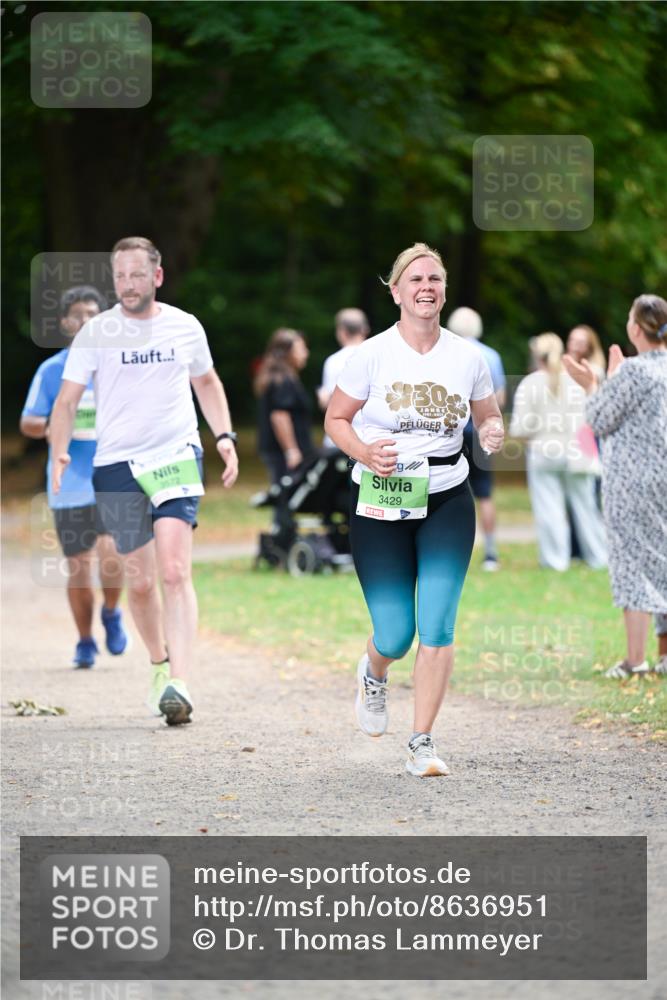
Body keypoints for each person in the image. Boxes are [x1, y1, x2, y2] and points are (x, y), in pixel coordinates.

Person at [325, 243, 504, 778]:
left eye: (435, 279)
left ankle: (421, 742)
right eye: (416, 279)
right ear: (397, 290)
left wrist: (492, 432)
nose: (427, 287)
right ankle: (375, 672)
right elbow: (336, 419)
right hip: (381, 500)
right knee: (397, 633)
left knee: (438, 625)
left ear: (444, 290)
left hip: (447, 496)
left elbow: (489, 417)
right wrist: (363, 451)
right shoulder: (371, 354)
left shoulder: (467, 356)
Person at [49, 237, 239, 725]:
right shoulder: (98, 332)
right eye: (120, 276)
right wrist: (59, 452)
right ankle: (158, 666)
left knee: (175, 571)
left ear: (157, 276)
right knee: (139, 582)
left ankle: (182, 680)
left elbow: (208, 383)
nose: (128, 284)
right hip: (116, 465)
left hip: (176, 455)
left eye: (137, 274)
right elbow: (67, 401)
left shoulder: (184, 326)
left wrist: (224, 435)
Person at [20, 285, 128, 669]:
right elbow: (29, 421)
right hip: (69, 482)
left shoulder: (117, 366)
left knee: (114, 558)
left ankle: (112, 613)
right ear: (65, 322)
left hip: (113, 474)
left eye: (92, 314)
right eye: (77, 315)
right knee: (80, 568)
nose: (84, 321)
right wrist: (56, 423)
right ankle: (84, 640)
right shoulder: (52, 370)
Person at [563, 294, 667, 677]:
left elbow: (600, 418)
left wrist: (592, 384)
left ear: (636, 328)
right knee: (662, 558)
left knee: (631, 562)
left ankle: (635, 659)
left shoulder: (635, 372)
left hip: (631, 482)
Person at [509, 333, 607, 572]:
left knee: (549, 508)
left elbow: (520, 427)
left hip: (544, 451)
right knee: (587, 507)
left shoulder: (530, 383)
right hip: (577, 451)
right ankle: (599, 557)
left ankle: (555, 560)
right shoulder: (576, 381)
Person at [446, 307, 506, 571]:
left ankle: (452, 550)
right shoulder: (491, 356)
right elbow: (499, 399)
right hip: (481, 431)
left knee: (449, 492)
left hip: (453, 433)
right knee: (484, 492)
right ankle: (490, 552)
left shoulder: (445, 354)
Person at [254, 328, 315, 485]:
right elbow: (279, 416)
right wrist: (291, 450)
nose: (306, 353)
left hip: (275, 449)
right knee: (285, 499)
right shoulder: (283, 381)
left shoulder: (280, 377)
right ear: (287, 353)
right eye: (301, 349)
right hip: (282, 452)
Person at [318, 308, 370, 449]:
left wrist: (322, 397)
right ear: (365, 329)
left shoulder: (333, 361)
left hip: (339, 440)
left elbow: (329, 403)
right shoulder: (376, 357)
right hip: (369, 439)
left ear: (342, 331)